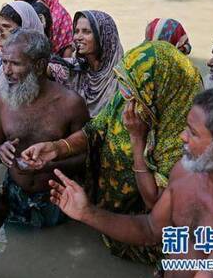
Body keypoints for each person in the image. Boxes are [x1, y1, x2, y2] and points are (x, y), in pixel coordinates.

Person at [48, 87, 213, 278]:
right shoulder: (186, 172)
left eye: (193, 133)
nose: (182, 137)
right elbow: (151, 229)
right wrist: (87, 213)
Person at [23, 41, 202, 264]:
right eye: (124, 86)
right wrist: (57, 147)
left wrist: (138, 140)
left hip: (145, 231)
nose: (127, 97)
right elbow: (97, 128)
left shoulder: (188, 135)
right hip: (108, 211)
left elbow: (155, 204)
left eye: (134, 90)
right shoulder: (129, 97)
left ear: (161, 88)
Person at [0, 29, 89, 227]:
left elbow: (85, 158)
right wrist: (1, 152)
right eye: (4, 61)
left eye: (15, 63)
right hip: (14, 193)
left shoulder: (70, 103)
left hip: (57, 195)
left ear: (40, 65)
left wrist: (49, 165)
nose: (6, 71)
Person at [50, 10, 124, 117]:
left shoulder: (120, 79)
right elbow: (45, 69)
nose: (78, 37)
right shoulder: (75, 67)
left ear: (103, 36)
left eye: (86, 32)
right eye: (76, 31)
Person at [0, 1, 44, 97]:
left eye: (6, 27)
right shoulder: (3, 55)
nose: (0, 32)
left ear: (25, 27)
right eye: (0, 26)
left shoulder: (41, 63)